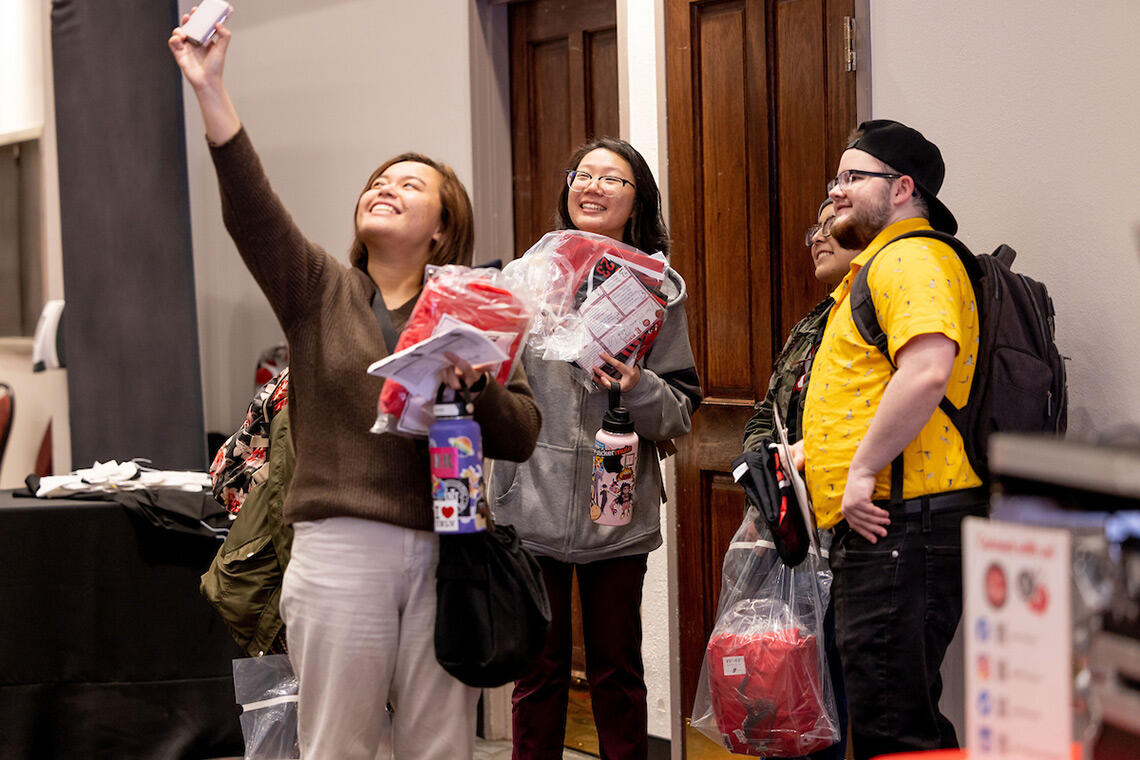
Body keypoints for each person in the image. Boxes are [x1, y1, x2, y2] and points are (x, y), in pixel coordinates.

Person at [169, 16, 541, 760]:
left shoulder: (473, 307)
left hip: (451, 547)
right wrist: (210, 89)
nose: (385, 188)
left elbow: (522, 433)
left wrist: (477, 389)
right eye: (378, 180)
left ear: (442, 228)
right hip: (340, 549)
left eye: (410, 184)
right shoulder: (319, 290)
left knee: (440, 744)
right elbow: (251, 208)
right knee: (337, 742)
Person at [493, 138, 702, 760]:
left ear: (637, 200)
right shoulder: (526, 278)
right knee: (537, 674)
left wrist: (639, 386)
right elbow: (493, 385)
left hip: (616, 513)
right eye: (582, 175)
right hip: (529, 503)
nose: (592, 186)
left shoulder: (658, 291)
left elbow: (680, 412)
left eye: (612, 179)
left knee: (617, 672)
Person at [800, 120, 985, 759]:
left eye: (854, 177)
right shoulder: (881, 261)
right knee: (893, 714)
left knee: (894, 726)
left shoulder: (911, 256)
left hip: (904, 519)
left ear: (902, 187)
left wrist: (858, 470)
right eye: (837, 178)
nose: (837, 192)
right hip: (895, 520)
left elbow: (928, 369)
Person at [740, 198, 858, 760]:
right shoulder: (813, 321)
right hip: (789, 529)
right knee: (784, 689)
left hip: (851, 530)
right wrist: (763, 467)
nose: (817, 236)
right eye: (813, 227)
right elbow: (768, 411)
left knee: (833, 693)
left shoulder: (871, 311)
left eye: (831, 227)